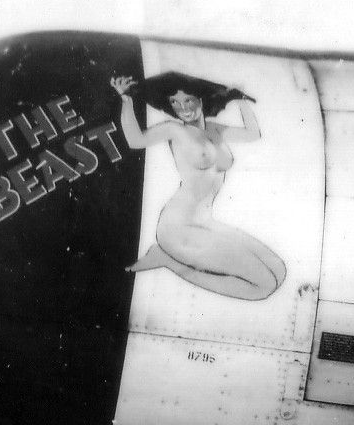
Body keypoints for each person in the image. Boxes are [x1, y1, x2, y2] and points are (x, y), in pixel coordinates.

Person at [110, 71, 285, 301]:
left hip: (204, 223)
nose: (182, 108)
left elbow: (253, 134)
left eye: (189, 100)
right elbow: (136, 140)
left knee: (279, 270)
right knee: (264, 285)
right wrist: (126, 100)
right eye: (175, 102)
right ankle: (168, 261)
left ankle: (167, 257)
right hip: (177, 229)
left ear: (201, 100)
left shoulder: (214, 129)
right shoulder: (175, 130)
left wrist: (241, 100)